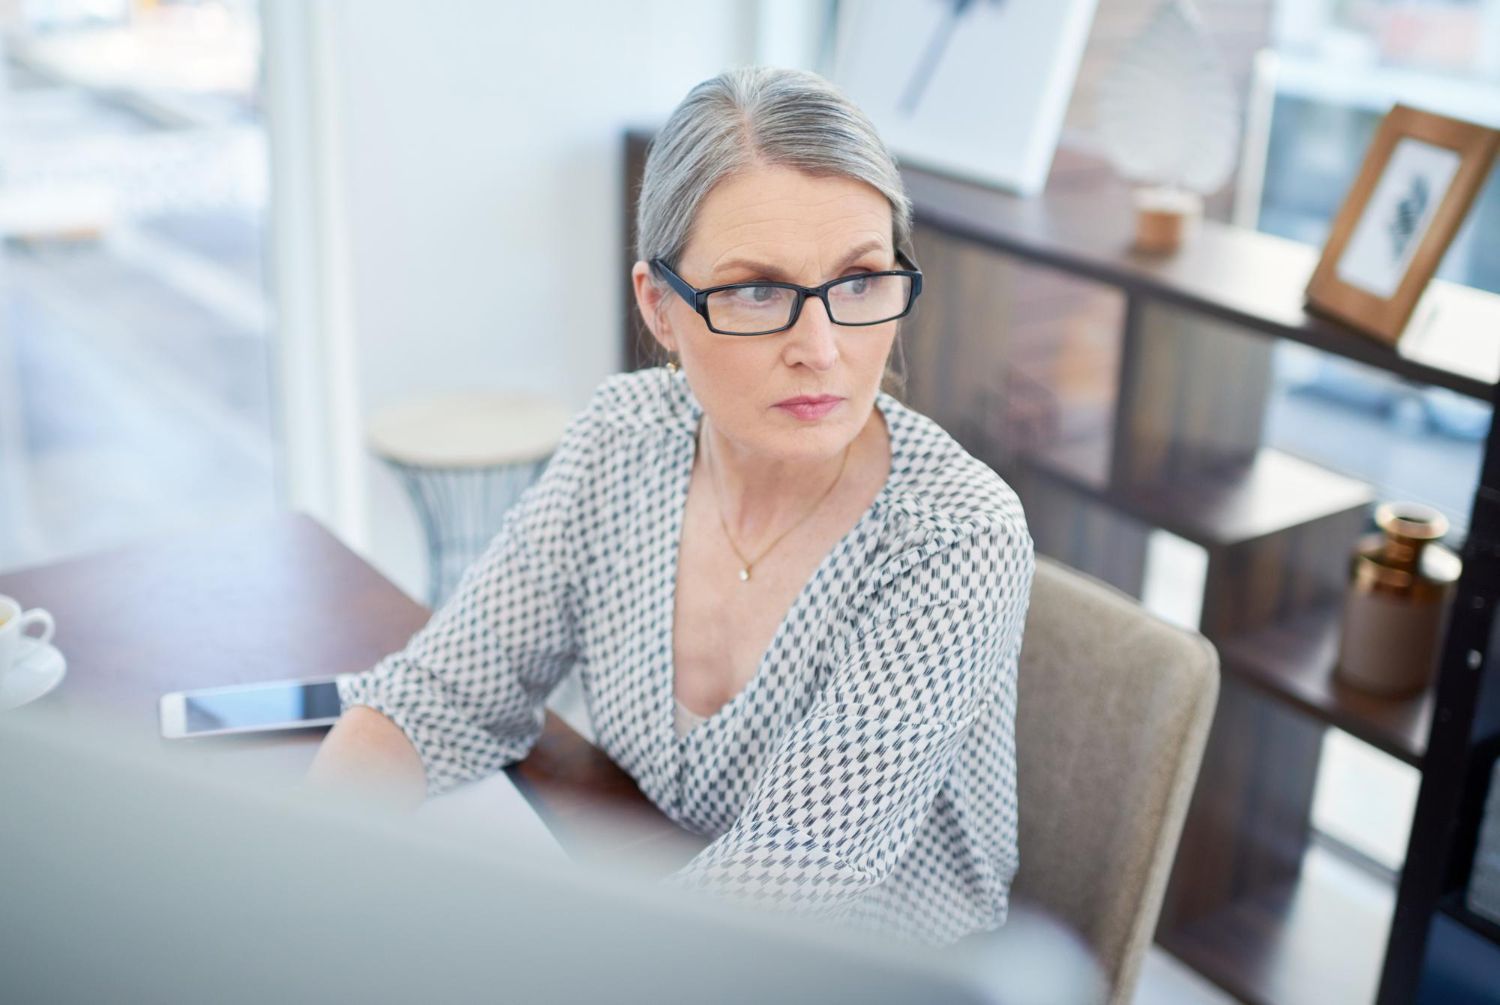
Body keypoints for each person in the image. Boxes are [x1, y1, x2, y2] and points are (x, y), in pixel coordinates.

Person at [305, 66, 1036, 946]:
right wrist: (306, 863)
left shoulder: (954, 540)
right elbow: (442, 691)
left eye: (859, 281)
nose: (823, 348)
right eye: (757, 291)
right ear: (660, 305)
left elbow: (791, 872)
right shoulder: (624, 439)